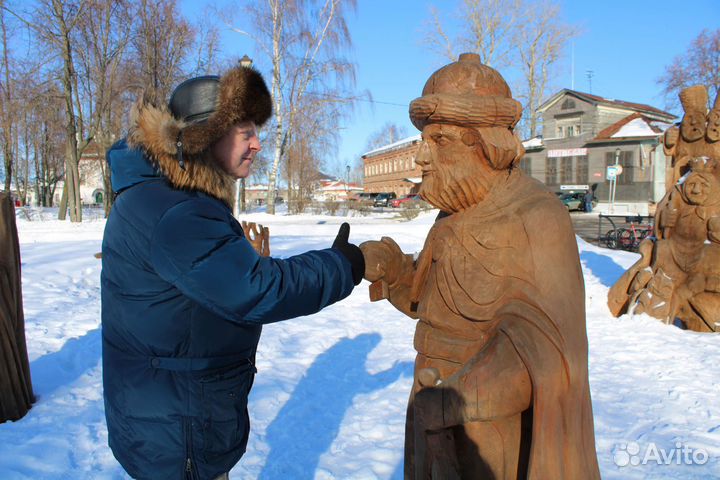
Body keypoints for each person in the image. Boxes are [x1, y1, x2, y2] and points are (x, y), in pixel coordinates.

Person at [101, 65, 364, 480]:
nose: (258, 144)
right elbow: (258, 290)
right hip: (178, 431)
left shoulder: (161, 196)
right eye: (246, 132)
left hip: (165, 417)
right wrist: (343, 265)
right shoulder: (178, 212)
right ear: (207, 136)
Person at [360, 53, 600, 479]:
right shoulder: (453, 213)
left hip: (486, 424)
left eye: (440, 141)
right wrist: (395, 272)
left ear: (485, 144)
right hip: (431, 398)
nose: (421, 158)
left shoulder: (535, 216)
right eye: (423, 141)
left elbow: (539, 349)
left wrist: (458, 399)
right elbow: (437, 303)